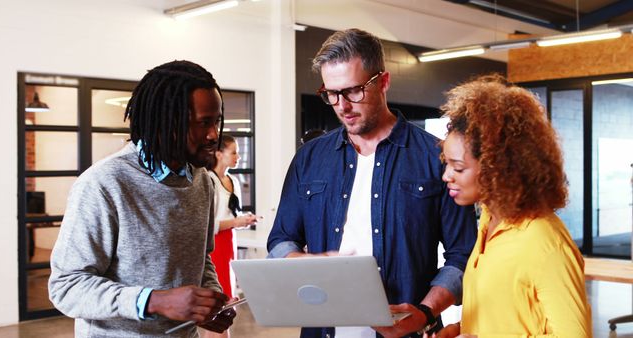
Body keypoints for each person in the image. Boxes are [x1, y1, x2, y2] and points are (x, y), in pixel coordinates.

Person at [267, 28, 478, 338]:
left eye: (353, 91)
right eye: (331, 93)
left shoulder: (435, 158)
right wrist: (306, 262)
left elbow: (464, 254)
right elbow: (281, 239)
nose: (342, 106)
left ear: (384, 81)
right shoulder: (309, 159)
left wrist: (424, 311)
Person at [48, 60, 237, 338]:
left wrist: (210, 300)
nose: (212, 135)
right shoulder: (105, 183)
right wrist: (155, 301)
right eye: (202, 123)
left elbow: (200, 258)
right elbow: (66, 287)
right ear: (166, 122)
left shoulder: (202, 182)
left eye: (217, 121)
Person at [432, 74, 591, 338]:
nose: (446, 175)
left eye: (458, 167)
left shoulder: (545, 243)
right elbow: (507, 317)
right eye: (446, 163)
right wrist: (460, 330)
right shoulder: (489, 222)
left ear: (498, 167)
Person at [205, 134, 259, 338]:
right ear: (218, 154)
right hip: (214, 246)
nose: (238, 156)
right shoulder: (208, 180)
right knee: (219, 305)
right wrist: (236, 222)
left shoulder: (232, 180)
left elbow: (230, 217)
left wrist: (244, 220)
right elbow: (208, 225)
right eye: (233, 152)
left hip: (229, 243)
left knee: (227, 304)